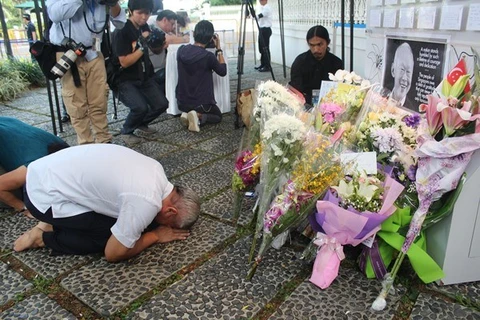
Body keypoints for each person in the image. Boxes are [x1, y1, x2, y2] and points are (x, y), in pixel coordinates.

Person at [13, 144, 200, 262]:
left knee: (132, 227)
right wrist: (156, 236)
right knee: (108, 237)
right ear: (171, 211)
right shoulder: (147, 200)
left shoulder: (157, 171)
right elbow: (113, 253)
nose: (163, 225)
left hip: (43, 173)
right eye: (168, 224)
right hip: (41, 197)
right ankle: (42, 238)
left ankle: (53, 223)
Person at [46, 0, 126, 145]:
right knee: (76, 104)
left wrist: (113, 3)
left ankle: (104, 140)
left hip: (95, 51)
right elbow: (54, 15)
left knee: (99, 100)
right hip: (68, 54)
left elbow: (120, 22)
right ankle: (85, 144)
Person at [114, 0, 169, 145]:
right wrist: (143, 46)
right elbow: (124, 62)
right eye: (140, 13)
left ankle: (140, 123)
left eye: (147, 13)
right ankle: (126, 131)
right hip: (124, 79)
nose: (144, 17)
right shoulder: (122, 31)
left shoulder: (144, 27)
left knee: (161, 104)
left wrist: (160, 43)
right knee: (140, 107)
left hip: (144, 75)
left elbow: (155, 50)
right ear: (131, 11)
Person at [0, 117, 69, 215]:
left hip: (8, 125)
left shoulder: (63, 147)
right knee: (17, 196)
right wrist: (24, 208)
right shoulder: (35, 165)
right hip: (9, 134)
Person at [176, 20, 227, 132]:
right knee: (218, 116)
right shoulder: (208, 56)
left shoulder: (181, 50)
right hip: (200, 104)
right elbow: (223, 71)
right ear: (210, 38)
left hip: (181, 101)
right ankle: (197, 116)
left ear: (194, 34)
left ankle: (186, 113)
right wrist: (218, 49)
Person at [289, 25, 344, 106]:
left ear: (327, 42)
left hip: (330, 106)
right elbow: (295, 91)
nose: (316, 49)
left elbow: (339, 89)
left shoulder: (336, 63)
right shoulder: (300, 62)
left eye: (320, 44)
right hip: (304, 106)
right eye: (312, 45)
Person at [149, 10, 189, 90]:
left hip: (159, 67)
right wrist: (184, 39)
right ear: (164, 20)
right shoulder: (152, 26)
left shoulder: (159, 25)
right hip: (154, 70)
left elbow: (172, 37)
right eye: (172, 24)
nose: (173, 26)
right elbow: (168, 40)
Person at [389, 42, 414, 110]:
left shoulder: (411, 111)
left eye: (408, 72)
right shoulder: (382, 95)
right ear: (393, 70)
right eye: (402, 70)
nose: (404, 78)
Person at [254, 0, 272, 72]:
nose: (260, 1)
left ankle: (267, 66)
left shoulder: (267, 8)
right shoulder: (261, 7)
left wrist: (253, 16)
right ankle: (263, 64)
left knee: (265, 48)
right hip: (262, 29)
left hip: (266, 29)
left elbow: (259, 16)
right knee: (261, 48)